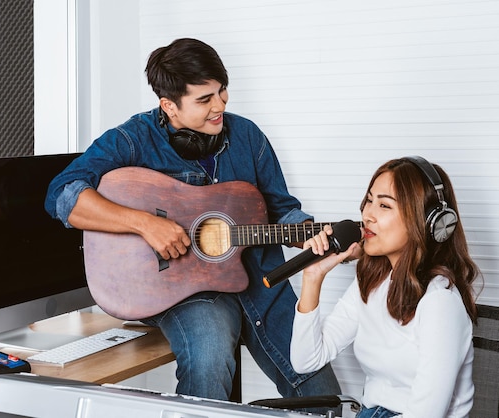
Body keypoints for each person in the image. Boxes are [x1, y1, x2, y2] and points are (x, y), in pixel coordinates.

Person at [44, 38, 341, 407]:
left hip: (264, 281)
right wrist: (144, 224)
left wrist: (314, 235)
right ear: (169, 105)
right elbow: (61, 195)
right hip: (186, 291)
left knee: (322, 392)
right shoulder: (132, 140)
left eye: (222, 92)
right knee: (210, 357)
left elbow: (282, 212)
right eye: (204, 100)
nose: (220, 106)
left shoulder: (248, 136)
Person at [290, 156, 480, 417]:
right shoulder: (371, 281)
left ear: (425, 221)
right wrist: (313, 276)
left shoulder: (440, 302)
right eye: (369, 201)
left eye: (384, 205)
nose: (368, 215)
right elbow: (305, 361)